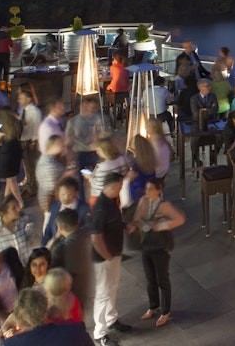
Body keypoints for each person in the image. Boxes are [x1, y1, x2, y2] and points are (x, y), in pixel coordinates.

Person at [128, 177, 185, 328]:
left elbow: (180, 219)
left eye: (151, 189)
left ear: (159, 191)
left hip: (160, 247)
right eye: (146, 189)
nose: (147, 192)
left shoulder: (164, 206)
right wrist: (138, 225)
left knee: (162, 279)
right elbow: (137, 219)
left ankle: (165, 311)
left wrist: (163, 225)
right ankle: (153, 306)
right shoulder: (143, 201)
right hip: (146, 245)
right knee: (150, 278)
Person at [91, 172, 132, 345]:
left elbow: (113, 222)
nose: (121, 190)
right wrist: (108, 256)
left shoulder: (109, 202)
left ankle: (111, 319)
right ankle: (99, 333)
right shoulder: (101, 208)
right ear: (113, 187)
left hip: (113, 254)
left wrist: (124, 225)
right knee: (102, 293)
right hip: (103, 259)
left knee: (112, 287)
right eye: (120, 187)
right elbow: (96, 238)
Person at [0, 286, 93, 345]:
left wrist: (6, 324)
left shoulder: (10, 344)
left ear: (18, 316)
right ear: (45, 310)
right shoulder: (75, 329)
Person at [49, 208, 93, 308]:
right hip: (84, 284)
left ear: (59, 227)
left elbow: (51, 268)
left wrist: (55, 239)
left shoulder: (60, 248)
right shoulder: (85, 233)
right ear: (77, 222)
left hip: (68, 290)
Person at [42, 176, 90, 246]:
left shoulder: (84, 209)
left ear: (76, 193)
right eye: (62, 194)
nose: (65, 198)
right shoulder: (55, 205)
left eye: (69, 194)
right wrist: (43, 247)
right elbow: (49, 228)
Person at [0, 107, 24, 208]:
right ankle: (6, 199)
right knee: (10, 179)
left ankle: (20, 202)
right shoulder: (17, 124)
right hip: (16, 152)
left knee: (12, 181)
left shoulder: (3, 128)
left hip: (6, 155)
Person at [16, 85, 42, 200]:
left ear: (28, 99)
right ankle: (29, 185)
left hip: (29, 141)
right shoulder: (23, 110)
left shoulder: (35, 112)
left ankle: (32, 189)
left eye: (22, 98)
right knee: (26, 165)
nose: (19, 100)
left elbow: (37, 128)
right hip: (22, 139)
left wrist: (33, 141)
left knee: (30, 166)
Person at [65, 98, 104, 172]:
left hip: (93, 152)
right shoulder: (72, 121)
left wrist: (97, 137)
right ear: (80, 106)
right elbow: (68, 139)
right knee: (80, 174)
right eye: (84, 105)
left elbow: (101, 133)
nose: (86, 108)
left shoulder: (96, 118)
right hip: (79, 153)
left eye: (87, 106)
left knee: (93, 173)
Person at [88, 137, 129, 204]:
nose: (97, 152)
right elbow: (124, 175)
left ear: (105, 150)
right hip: (117, 196)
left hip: (101, 199)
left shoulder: (102, 167)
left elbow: (98, 186)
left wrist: (90, 178)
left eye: (99, 150)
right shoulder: (122, 159)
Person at [36, 135, 66, 217]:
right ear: (54, 146)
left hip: (51, 201)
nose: (63, 146)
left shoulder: (49, 158)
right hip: (51, 202)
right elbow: (53, 187)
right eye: (61, 144)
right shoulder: (47, 165)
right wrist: (67, 174)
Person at [106, 54, 129, 127]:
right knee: (111, 89)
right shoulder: (126, 68)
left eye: (113, 59)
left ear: (115, 60)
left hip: (116, 89)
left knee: (106, 89)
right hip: (125, 90)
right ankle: (120, 110)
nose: (112, 61)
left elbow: (112, 78)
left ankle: (109, 109)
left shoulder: (113, 67)